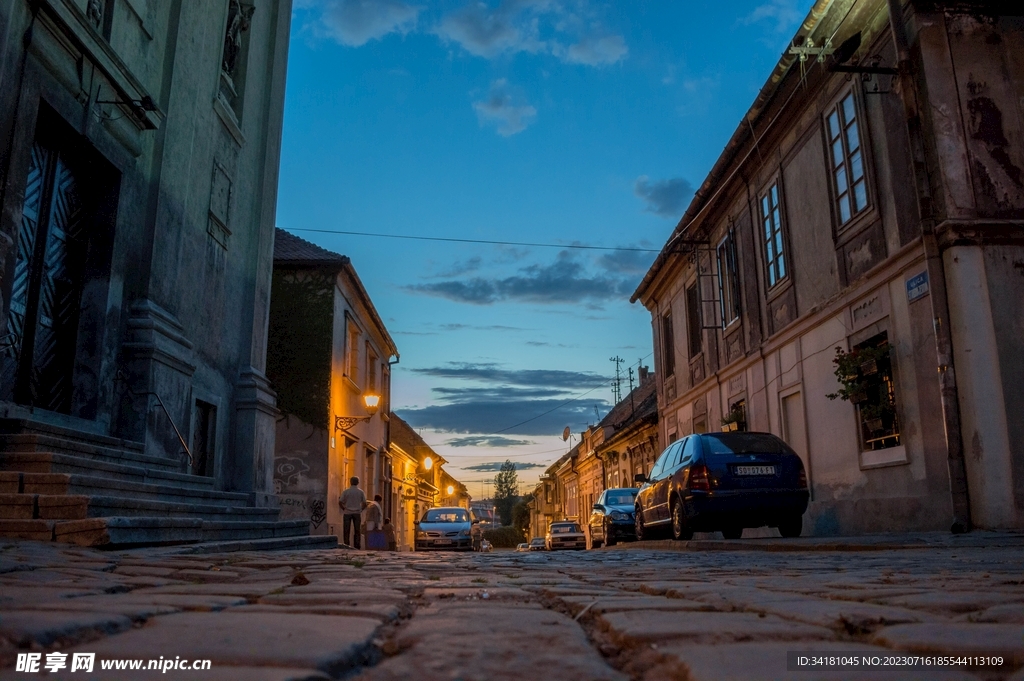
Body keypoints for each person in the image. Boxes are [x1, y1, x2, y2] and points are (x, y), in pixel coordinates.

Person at [339, 477, 367, 549]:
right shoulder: (360, 492)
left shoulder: (346, 491)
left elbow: (340, 502)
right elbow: (365, 503)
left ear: (350, 482)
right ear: (358, 483)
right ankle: (357, 546)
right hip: (357, 513)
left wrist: (344, 508)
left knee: (346, 530)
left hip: (347, 513)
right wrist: (361, 509)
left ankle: (346, 545)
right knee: (357, 530)